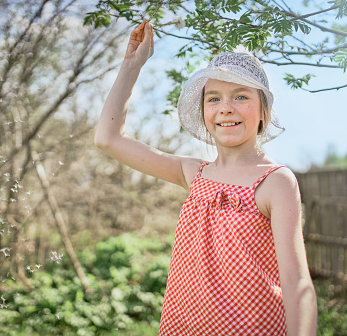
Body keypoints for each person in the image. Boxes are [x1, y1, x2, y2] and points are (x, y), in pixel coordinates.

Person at [95, 20, 317, 336]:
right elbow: (108, 139)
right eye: (213, 98)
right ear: (203, 112)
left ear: (263, 111)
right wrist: (132, 65)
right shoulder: (194, 174)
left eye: (241, 96)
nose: (226, 108)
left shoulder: (275, 182)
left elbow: (296, 282)